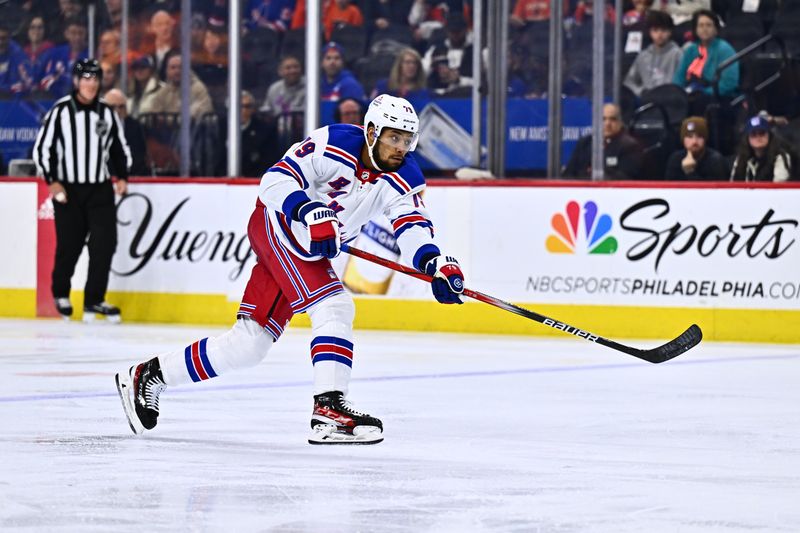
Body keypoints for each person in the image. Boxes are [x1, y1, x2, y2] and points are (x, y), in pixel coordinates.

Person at [115, 94, 466, 445]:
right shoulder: (334, 143)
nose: (401, 147)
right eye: (394, 137)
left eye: (407, 139)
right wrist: (310, 210)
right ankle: (329, 410)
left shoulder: (406, 176)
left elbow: (413, 226)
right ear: (372, 131)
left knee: (248, 345)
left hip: (307, 248)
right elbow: (273, 182)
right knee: (335, 306)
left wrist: (434, 264)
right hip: (277, 226)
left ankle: (149, 375)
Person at [32, 59, 131, 322]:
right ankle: (61, 292)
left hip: (99, 189)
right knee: (70, 244)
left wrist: (122, 175)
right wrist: (52, 180)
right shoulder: (61, 111)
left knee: (104, 244)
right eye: (85, 79)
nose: (90, 84)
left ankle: (94, 300)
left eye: (95, 79)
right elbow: (44, 149)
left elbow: (118, 148)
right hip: (69, 189)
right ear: (77, 82)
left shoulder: (107, 113)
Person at [563, 103, 644, 179]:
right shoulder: (585, 143)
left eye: (613, 119)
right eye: (603, 119)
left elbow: (626, 178)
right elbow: (568, 174)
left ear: (620, 122)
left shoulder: (630, 146)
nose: (607, 123)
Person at [672, 10, 738, 99]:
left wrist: (704, 92)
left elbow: (729, 83)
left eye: (709, 25)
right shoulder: (690, 49)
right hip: (690, 94)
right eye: (701, 25)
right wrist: (678, 93)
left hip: (716, 97)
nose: (704, 29)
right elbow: (679, 78)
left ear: (716, 29)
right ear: (695, 29)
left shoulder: (725, 49)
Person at [624, 11, 682, 97]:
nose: (659, 34)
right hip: (648, 100)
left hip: (671, 100)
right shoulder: (643, 56)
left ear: (670, 32)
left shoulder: (678, 54)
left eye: (663, 30)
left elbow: (682, 81)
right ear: (650, 32)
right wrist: (641, 91)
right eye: (655, 30)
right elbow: (629, 81)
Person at [142, 51, 214, 119]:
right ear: (167, 71)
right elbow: (153, 116)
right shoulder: (163, 92)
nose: (177, 71)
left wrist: (167, 120)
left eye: (180, 67)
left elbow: (196, 115)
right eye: (173, 67)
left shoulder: (198, 88)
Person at [730, 115, 794, 182]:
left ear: (769, 135)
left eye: (762, 133)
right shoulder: (741, 158)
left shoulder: (780, 157)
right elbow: (733, 185)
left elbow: (779, 187)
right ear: (747, 138)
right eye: (753, 134)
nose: (758, 137)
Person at [104, 88, 151, 177]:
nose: (117, 111)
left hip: (131, 176)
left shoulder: (136, 127)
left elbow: (139, 156)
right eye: (112, 107)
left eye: (121, 107)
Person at [38, 16, 88, 96]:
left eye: (80, 33)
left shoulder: (90, 55)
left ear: (86, 34)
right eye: (73, 33)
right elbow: (45, 81)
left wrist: (60, 78)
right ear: (66, 34)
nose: (77, 37)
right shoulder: (55, 53)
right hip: (53, 101)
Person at [239, 90, 272, 177]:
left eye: (247, 106)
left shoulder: (264, 130)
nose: (243, 110)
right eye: (239, 106)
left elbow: (267, 160)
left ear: (252, 109)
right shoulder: (222, 127)